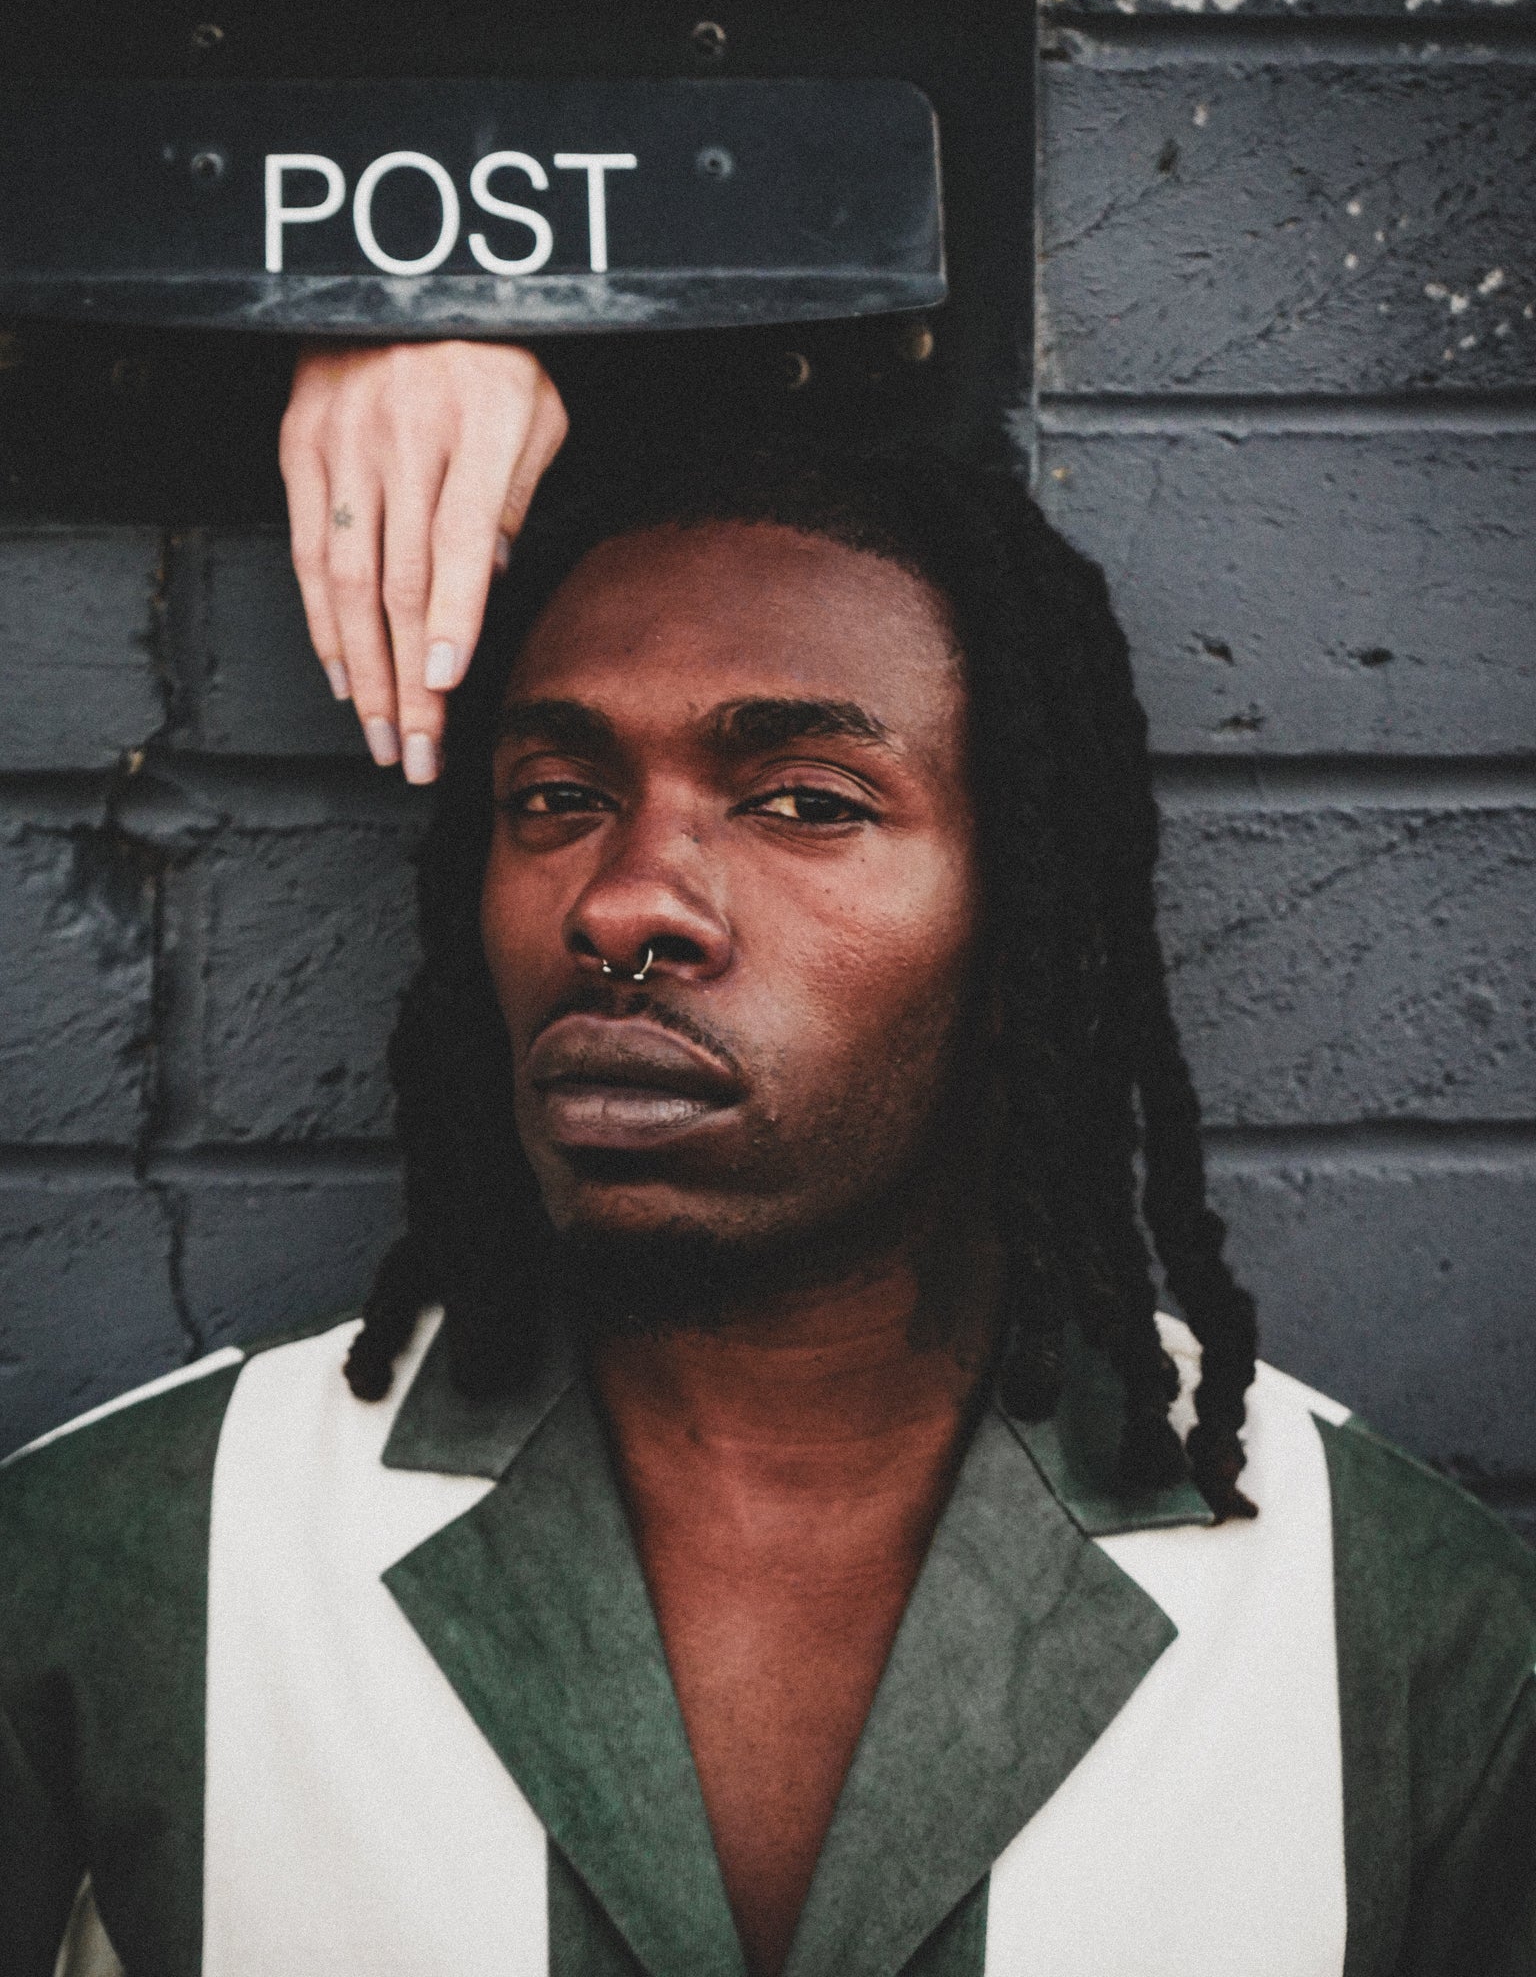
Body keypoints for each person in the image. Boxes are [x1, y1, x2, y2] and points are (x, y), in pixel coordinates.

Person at [2, 347, 1533, 1977]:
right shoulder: (128, 1575)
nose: (625, 902)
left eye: (804, 801)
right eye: (559, 793)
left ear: (1017, 926)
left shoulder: (1395, 1630)